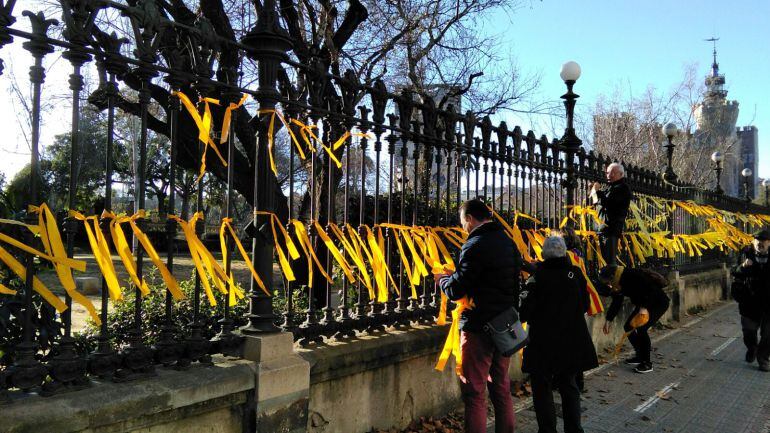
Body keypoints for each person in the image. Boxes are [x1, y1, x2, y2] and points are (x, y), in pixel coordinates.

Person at [436, 199, 522, 433]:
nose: (463, 228)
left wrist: (443, 280)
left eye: (463, 222)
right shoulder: (508, 242)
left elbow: (457, 290)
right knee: (501, 386)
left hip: (479, 327)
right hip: (504, 324)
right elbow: (513, 284)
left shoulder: (474, 244)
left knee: (474, 391)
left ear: (471, 219)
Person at [519, 234, 598, 433]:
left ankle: (547, 430)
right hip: (571, 339)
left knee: (542, 387)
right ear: (564, 252)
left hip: (542, 342)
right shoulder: (576, 273)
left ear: (544, 254)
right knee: (569, 385)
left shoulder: (537, 278)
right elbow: (585, 305)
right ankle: (574, 429)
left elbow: (524, 311)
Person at [597, 265, 670, 373]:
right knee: (628, 326)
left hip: (657, 302)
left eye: (608, 282)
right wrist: (609, 320)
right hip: (643, 304)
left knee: (641, 329)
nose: (608, 285)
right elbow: (617, 301)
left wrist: (644, 307)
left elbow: (651, 289)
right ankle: (640, 355)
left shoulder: (632, 275)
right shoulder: (618, 282)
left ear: (612, 276)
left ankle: (646, 363)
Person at [731, 229, 770, 371]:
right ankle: (752, 348)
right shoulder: (745, 254)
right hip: (750, 303)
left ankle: (763, 359)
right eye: (757, 240)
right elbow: (734, 271)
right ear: (753, 242)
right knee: (748, 332)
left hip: (768, 305)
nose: (760, 243)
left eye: (764, 240)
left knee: (768, 335)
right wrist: (742, 266)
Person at [591, 163, 633, 265]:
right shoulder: (610, 187)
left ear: (621, 174)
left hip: (611, 230)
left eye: (613, 173)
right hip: (602, 229)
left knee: (610, 263)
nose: (609, 175)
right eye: (608, 172)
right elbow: (597, 202)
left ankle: (612, 280)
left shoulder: (622, 188)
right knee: (602, 262)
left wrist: (597, 192)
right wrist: (594, 191)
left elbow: (609, 203)